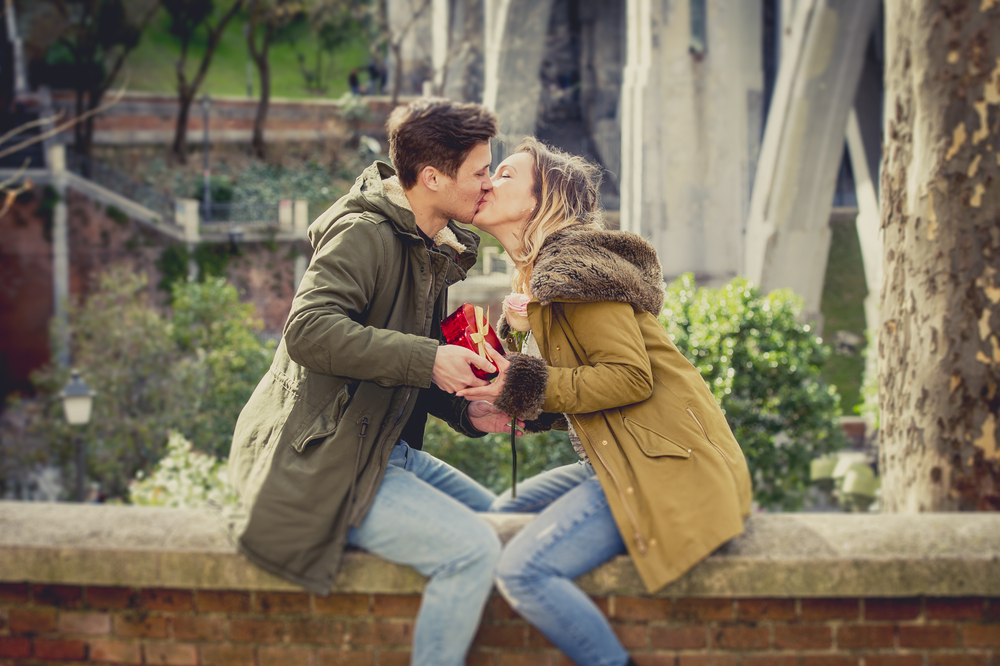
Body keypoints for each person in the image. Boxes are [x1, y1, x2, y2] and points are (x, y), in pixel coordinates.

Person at [227, 98, 519, 666]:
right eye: (480, 172)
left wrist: (469, 411)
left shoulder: (428, 243)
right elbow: (307, 331)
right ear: (432, 178)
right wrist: (429, 358)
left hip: (384, 451)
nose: (488, 184)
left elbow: (407, 362)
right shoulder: (364, 235)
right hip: (322, 463)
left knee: (506, 527)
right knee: (473, 550)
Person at [458, 137, 754, 666]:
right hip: (615, 457)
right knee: (502, 513)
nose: (487, 182)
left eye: (504, 174)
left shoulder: (574, 268)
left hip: (661, 467)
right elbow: (579, 383)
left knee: (522, 571)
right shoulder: (540, 277)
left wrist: (525, 385)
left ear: (542, 197)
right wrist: (513, 404)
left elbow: (628, 379)